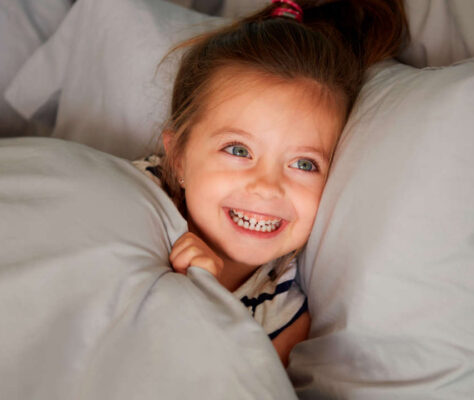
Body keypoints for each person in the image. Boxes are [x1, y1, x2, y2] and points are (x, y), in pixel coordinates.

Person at [134, 0, 409, 366]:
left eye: (303, 163)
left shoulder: (282, 321)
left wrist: (204, 302)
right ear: (179, 156)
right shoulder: (132, 202)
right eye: (238, 149)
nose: (267, 186)